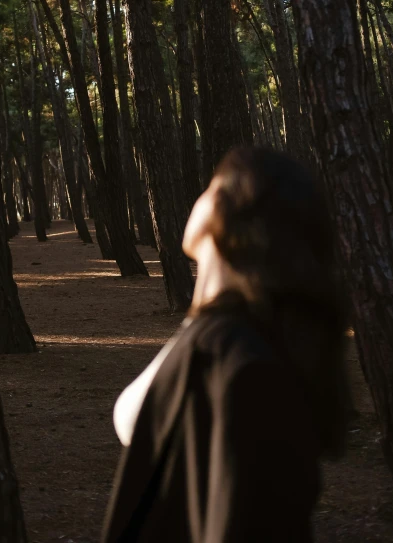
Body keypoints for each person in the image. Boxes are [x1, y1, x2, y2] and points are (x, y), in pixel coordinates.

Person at [102, 147, 349, 542]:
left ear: (233, 208)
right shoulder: (216, 332)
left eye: (211, 185)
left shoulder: (241, 361)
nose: (198, 197)